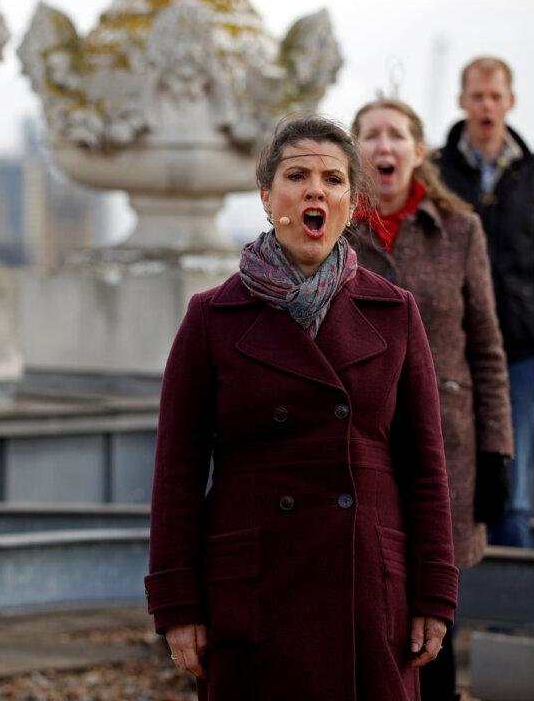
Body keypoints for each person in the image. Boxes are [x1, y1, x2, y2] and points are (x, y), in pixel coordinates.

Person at [145, 115, 458, 700]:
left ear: (350, 202)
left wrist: (434, 593)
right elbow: (177, 474)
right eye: (297, 175)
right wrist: (177, 602)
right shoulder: (211, 317)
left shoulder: (396, 312)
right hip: (255, 584)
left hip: (368, 582)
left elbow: (425, 466)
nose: (317, 189)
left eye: (334, 179)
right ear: (267, 197)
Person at [351, 98, 515, 701]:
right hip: (361, 444)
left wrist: (499, 449)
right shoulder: (335, 233)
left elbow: (489, 353)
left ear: (419, 152)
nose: (384, 146)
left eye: (397, 135)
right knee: (373, 595)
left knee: (435, 607)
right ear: (355, 152)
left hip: (447, 447)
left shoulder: (461, 231)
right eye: (370, 135)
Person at [436, 57, 534, 548]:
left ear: (510, 102)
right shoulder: (433, 170)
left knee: (512, 484)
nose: (486, 105)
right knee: (444, 479)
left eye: (495, 96)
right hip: (448, 350)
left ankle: (512, 609)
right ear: (462, 102)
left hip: (518, 350)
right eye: (477, 96)